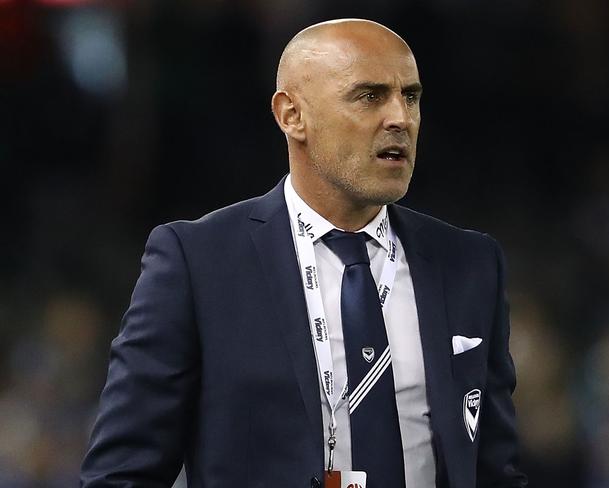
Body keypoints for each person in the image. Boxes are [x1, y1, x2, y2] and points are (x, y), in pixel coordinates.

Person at [80, 19, 528, 488]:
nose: (401, 117)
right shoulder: (198, 262)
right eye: (370, 96)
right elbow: (122, 473)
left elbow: (495, 469)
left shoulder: (471, 262)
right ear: (292, 114)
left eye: (411, 97)